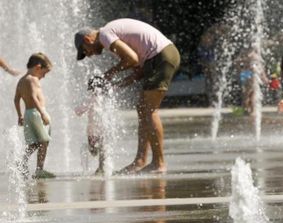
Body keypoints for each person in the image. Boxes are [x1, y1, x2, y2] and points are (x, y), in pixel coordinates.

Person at [74, 18, 180, 174]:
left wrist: (107, 76)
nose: (88, 55)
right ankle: (140, 161)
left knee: (150, 110)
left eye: (85, 50)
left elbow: (132, 59)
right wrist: (114, 86)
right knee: (143, 108)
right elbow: (138, 71)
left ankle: (159, 163)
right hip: (160, 56)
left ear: (87, 39)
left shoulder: (105, 34)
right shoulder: (111, 33)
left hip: (161, 56)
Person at [13, 53, 55, 178]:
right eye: (44, 73)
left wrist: (20, 115)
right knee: (44, 141)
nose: (44, 76)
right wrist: (42, 113)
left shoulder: (21, 80)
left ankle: (21, 162)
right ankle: (39, 170)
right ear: (38, 67)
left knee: (33, 143)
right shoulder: (33, 79)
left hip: (27, 114)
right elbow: (33, 97)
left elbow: (16, 99)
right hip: (37, 113)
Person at [74, 76, 111, 175]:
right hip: (100, 127)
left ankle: (100, 166)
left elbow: (80, 110)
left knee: (95, 148)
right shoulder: (103, 97)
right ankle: (101, 166)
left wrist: (77, 110)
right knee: (101, 147)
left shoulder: (92, 97)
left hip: (94, 129)